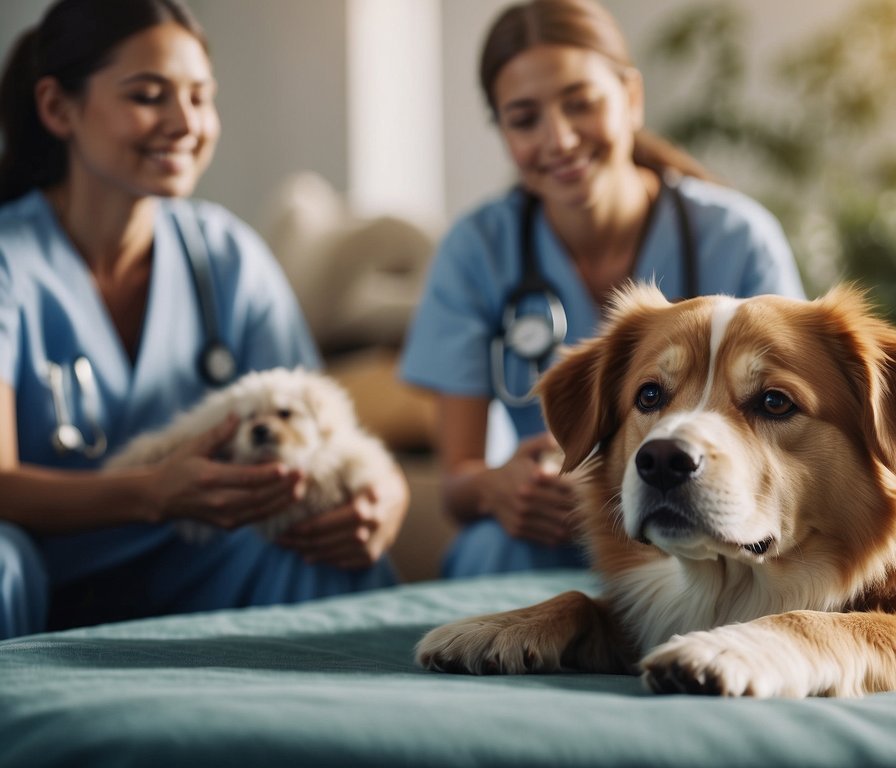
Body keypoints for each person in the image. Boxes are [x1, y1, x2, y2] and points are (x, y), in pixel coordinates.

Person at [0, 0, 406, 640]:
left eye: (200, 96)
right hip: (47, 569)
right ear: (57, 108)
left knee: (324, 551)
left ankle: (356, 732)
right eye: (148, 95)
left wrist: (385, 495)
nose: (185, 122)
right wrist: (152, 491)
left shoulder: (227, 257)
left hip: (198, 565)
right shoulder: (11, 263)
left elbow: (322, 424)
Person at [399, 0, 806, 579]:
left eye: (580, 104)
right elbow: (456, 482)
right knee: (492, 555)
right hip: (546, 533)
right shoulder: (477, 250)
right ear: (503, 132)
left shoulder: (735, 238)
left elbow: (795, 420)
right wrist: (498, 486)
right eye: (524, 119)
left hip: (704, 521)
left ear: (631, 98)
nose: (559, 138)